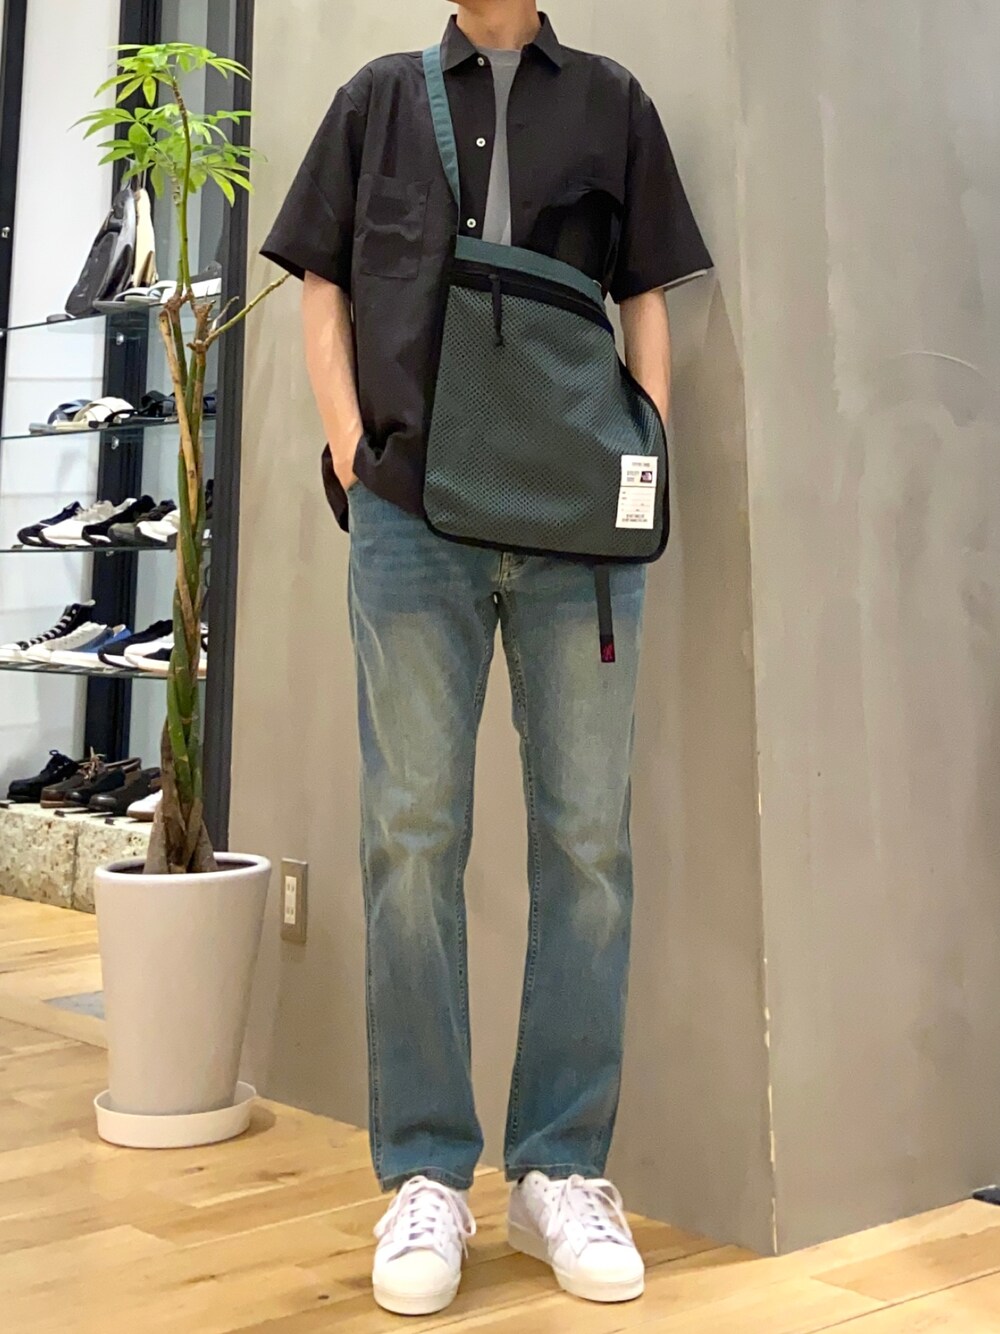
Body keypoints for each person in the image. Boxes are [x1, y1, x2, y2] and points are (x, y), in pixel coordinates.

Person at [262, 0, 712, 1317]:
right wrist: (350, 449)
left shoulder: (614, 99)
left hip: (579, 534)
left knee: (588, 843)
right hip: (413, 522)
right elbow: (322, 282)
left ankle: (561, 1166)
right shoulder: (377, 99)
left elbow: (643, 299)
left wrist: (641, 460)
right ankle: (425, 1172)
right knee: (410, 836)